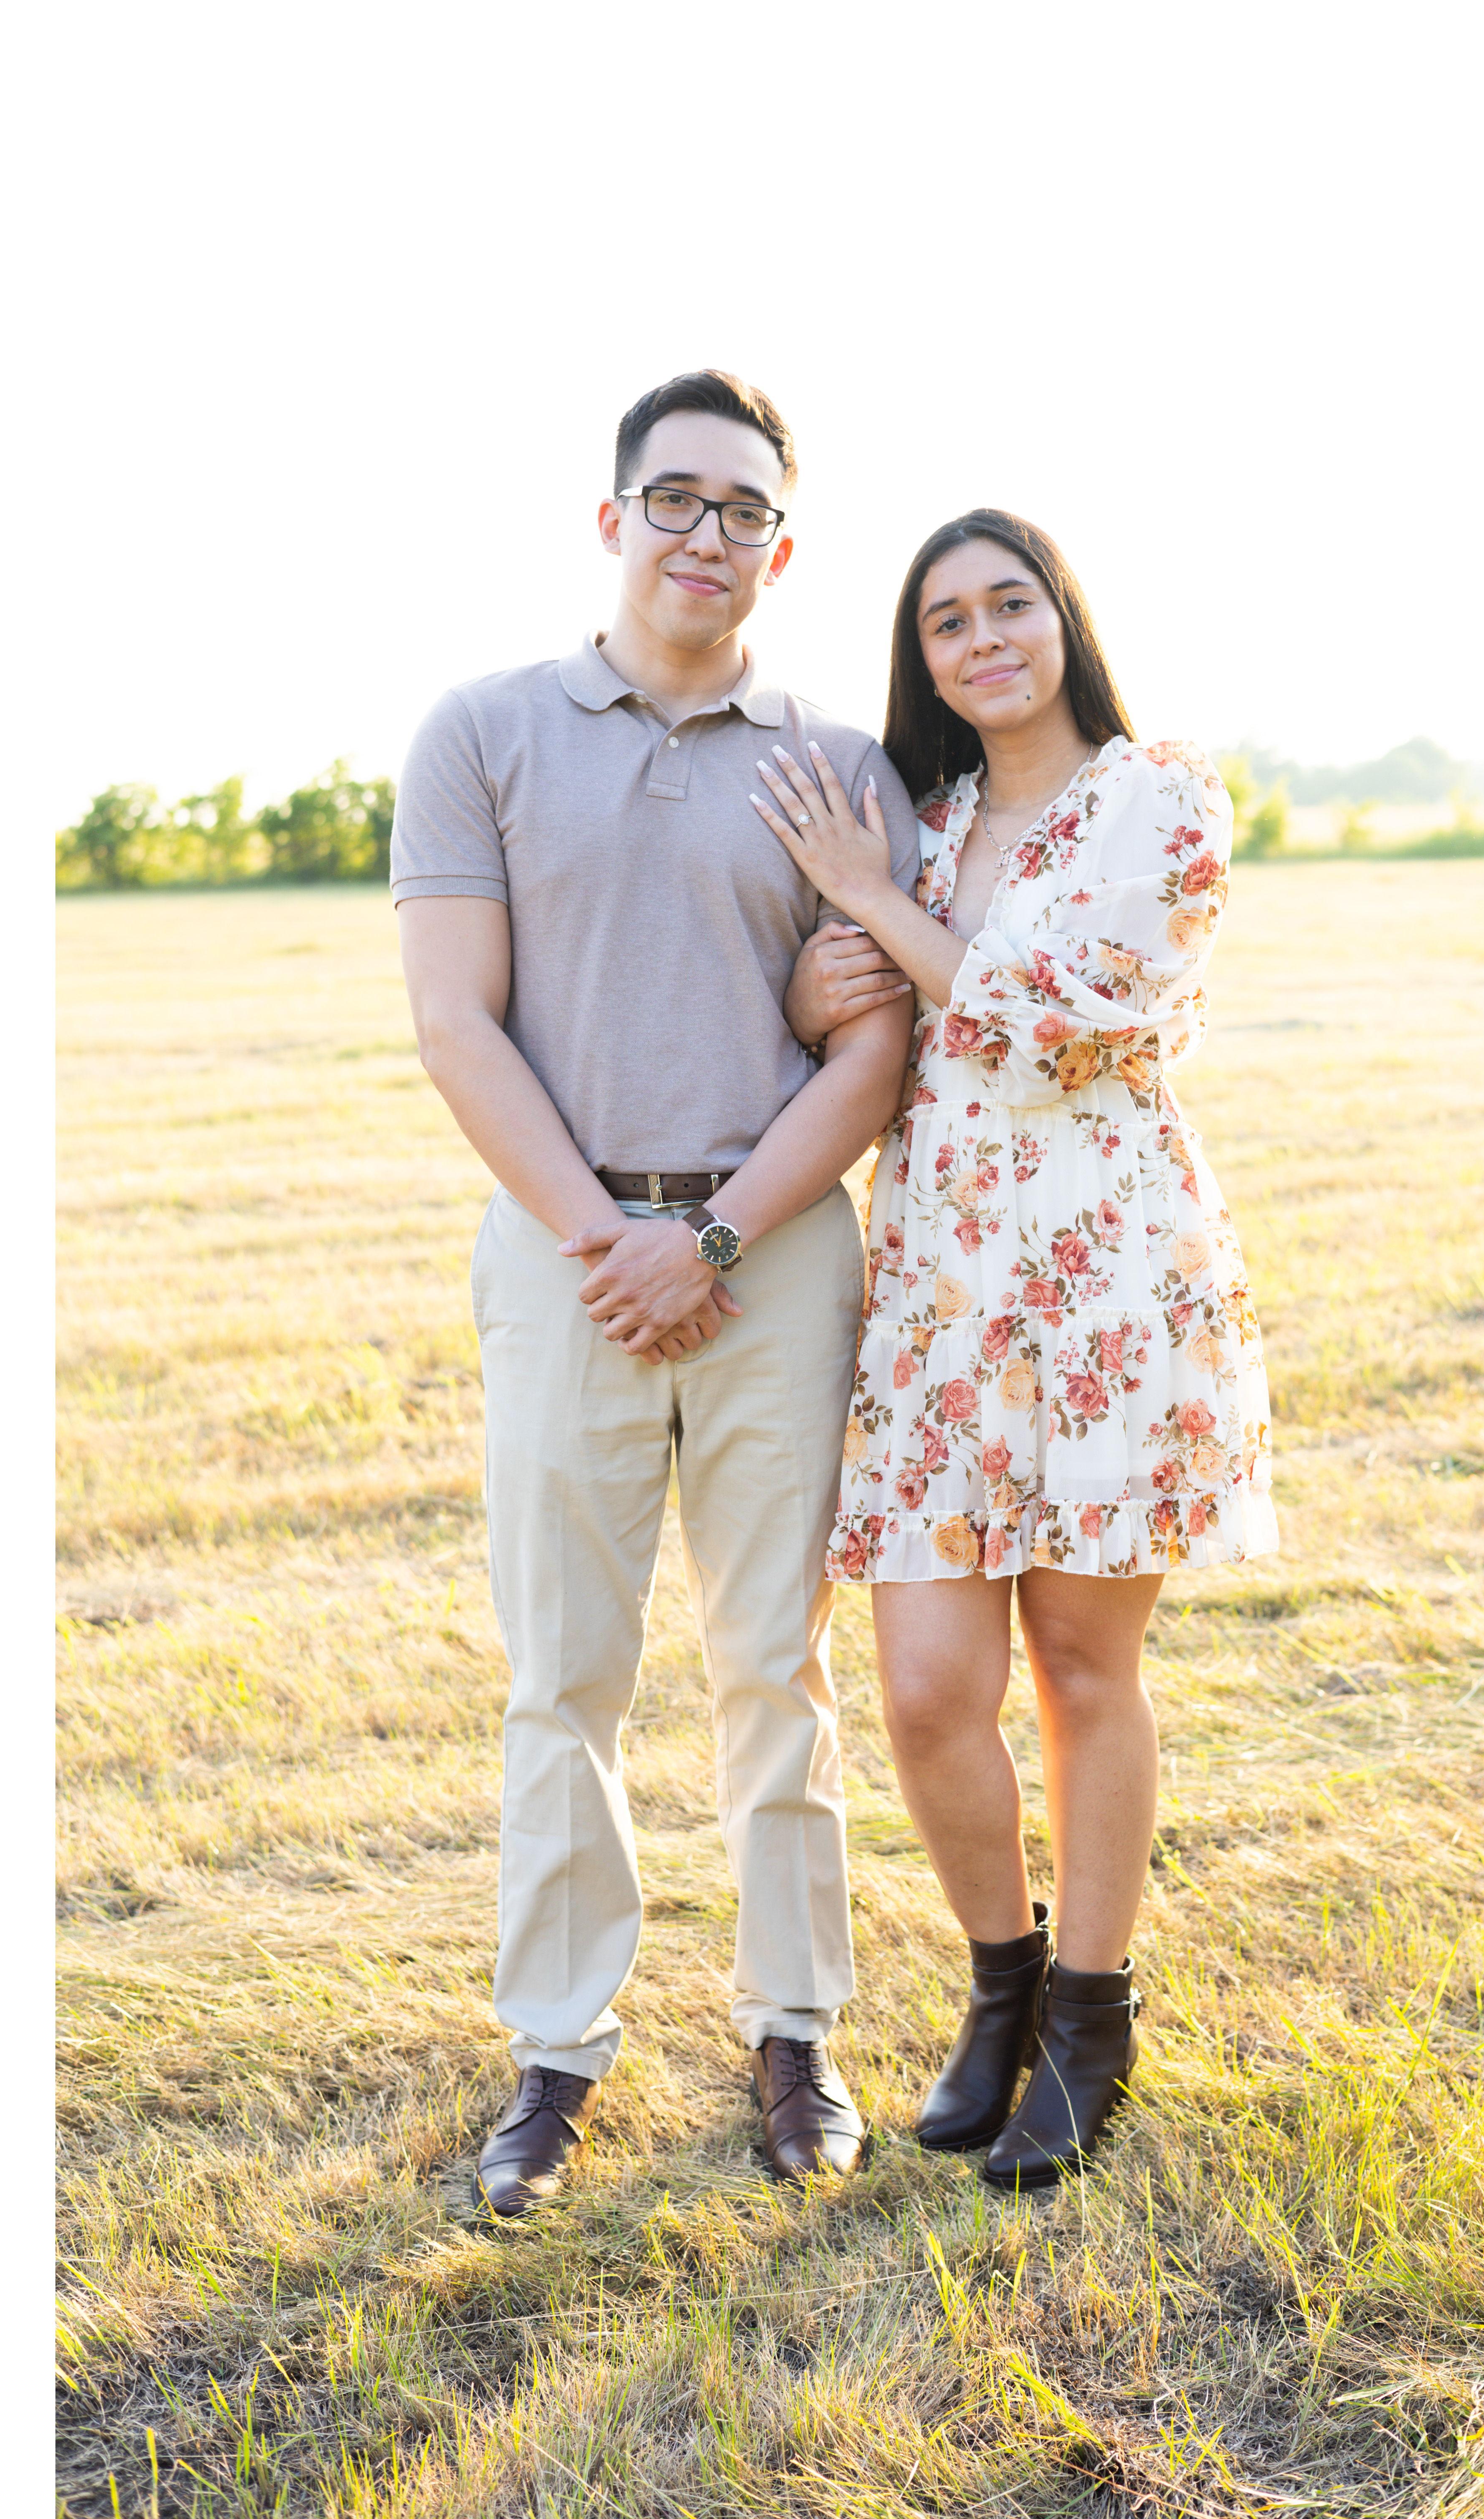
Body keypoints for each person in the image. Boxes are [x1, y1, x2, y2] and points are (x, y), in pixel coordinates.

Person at [393, 371, 919, 2215]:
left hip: (778, 1256)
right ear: (613, 519)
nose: (710, 533)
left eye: (746, 509)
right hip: (564, 1257)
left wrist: (711, 1242)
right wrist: (607, 1238)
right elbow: (455, 1022)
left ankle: (796, 2036)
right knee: (566, 1673)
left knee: (777, 1663)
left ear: (785, 545)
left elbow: (873, 1053)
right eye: (677, 498)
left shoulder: (842, 769)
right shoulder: (482, 734)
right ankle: (556, 2054)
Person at [760, 507, 1277, 2187]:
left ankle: (1094, 2019)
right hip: (939, 1294)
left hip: (1106, 1279)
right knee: (926, 1692)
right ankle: (1004, 1988)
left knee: (1079, 1665)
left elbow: (1058, 1026)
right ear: (922, 659)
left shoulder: (1162, 797)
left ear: (1064, 617)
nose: (982, 639)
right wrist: (831, 966)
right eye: (947, 622)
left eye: (1009, 605)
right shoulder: (924, 825)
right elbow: (859, 1018)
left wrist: (867, 902)